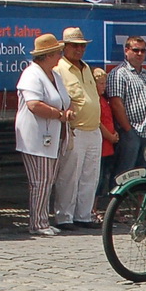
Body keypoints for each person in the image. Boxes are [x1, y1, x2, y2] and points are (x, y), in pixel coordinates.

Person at [16, 34, 71, 235]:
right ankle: (37, 223)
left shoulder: (55, 75)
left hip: (53, 135)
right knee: (39, 180)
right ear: (47, 55)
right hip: (35, 136)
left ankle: (42, 220)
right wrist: (59, 114)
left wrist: (67, 112)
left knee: (48, 179)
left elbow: (65, 99)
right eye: (58, 52)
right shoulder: (31, 74)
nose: (60, 56)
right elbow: (33, 105)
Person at [53, 27, 103, 231]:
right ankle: (64, 217)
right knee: (69, 175)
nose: (79, 50)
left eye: (82, 46)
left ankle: (83, 214)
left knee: (90, 175)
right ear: (64, 47)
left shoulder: (86, 67)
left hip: (93, 128)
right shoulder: (59, 69)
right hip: (75, 129)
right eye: (74, 46)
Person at [104, 34, 146, 182]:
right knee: (124, 173)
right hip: (131, 131)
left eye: (143, 51)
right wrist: (128, 130)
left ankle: (140, 205)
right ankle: (115, 203)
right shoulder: (119, 73)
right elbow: (116, 103)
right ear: (126, 50)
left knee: (145, 175)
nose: (139, 54)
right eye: (136, 50)